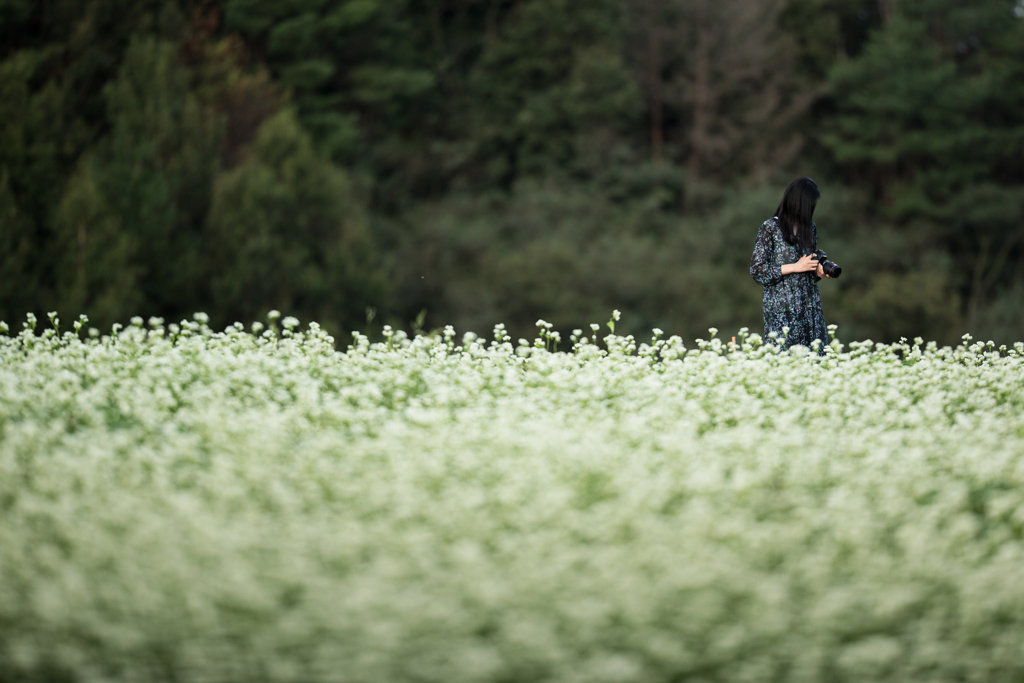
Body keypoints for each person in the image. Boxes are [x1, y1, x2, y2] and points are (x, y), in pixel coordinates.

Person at [749, 177, 829, 351]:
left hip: (810, 309)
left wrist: (818, 272)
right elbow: (757, 271)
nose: (810, 210)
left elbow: (807, 267)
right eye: (809, 204)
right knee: (785, 364)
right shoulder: (770, 228)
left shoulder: (810, 228)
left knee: (817, 360)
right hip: (782, 312)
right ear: (797, 202)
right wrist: (795, 267)